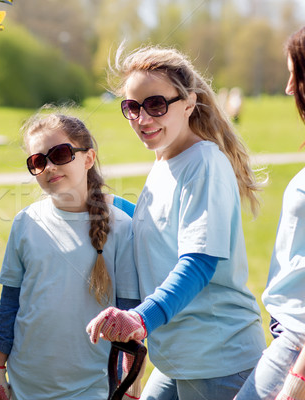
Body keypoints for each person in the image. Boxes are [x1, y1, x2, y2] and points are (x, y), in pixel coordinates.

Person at [86, 45, 267, 400]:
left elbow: (199, 262)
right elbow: (162, 226)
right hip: (178, 357)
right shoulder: (166, 160)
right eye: (132, 107)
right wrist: (109, 204)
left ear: (188, 103)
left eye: (156, 104)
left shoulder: (204, 164)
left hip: (218, 358)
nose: (143, 118)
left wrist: (140, 320)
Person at [0, 109, 141, 399]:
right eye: (38, 161)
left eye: (61, 154)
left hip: (92, 387)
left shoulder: (123, 227)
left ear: (88, 158)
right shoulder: (25, 222)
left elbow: (129, 317)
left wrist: (130, 388)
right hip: (24, 386)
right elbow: (10, 308)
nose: (50, 167)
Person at [235, 26, 305, 400]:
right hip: (289, 335)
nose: (289, 88)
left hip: (298, 344)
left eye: (296, 74)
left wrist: (297, 379)